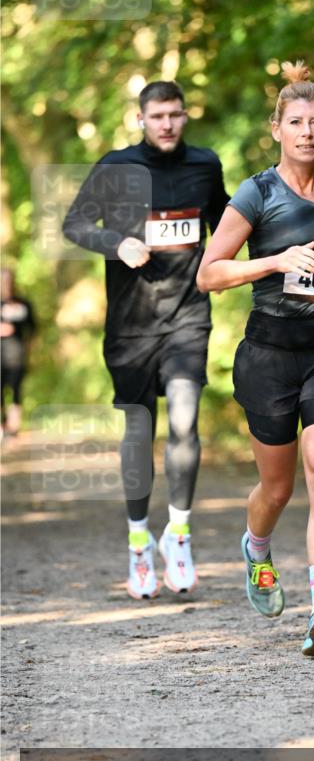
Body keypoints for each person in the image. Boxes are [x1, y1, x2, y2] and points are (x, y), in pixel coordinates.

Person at [197, 61, 314, 658]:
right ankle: (256, 549)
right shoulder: (257, 193)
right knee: (276, 490)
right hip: (270, 356)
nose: (308, 131)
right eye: (296, 122)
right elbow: (209, 273)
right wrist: (273, 262)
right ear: (277, 128)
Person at [63, 80, 229, 600]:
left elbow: (227, 222)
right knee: (139, 430)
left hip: (187, 317)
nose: (167, 124)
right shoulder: (116, 168)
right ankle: (139, 543)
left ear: (185, 117)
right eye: (157, 116)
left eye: (175, 115)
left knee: (184, 418)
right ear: (141, 119)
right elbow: (73, 224)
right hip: (130, 326)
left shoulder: (205, 165)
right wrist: (117, 242)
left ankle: (178, 534)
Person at [1, 269, 36, 438]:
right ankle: (2, 427)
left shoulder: (23, 304)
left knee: (16, 390)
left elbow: (33, 328)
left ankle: (14, 428)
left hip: (17, 356)